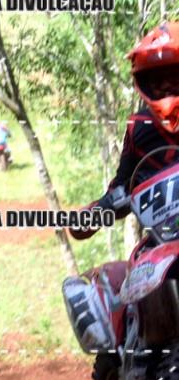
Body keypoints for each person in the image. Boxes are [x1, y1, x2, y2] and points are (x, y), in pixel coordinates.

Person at [72, 22, 179, 238]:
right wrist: (97, 211)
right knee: (130, 260)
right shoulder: (139, 127)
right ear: (144, 83)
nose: (166, 87)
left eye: (175, 78)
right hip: (164, 239)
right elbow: (121, 188)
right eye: (157, 81)